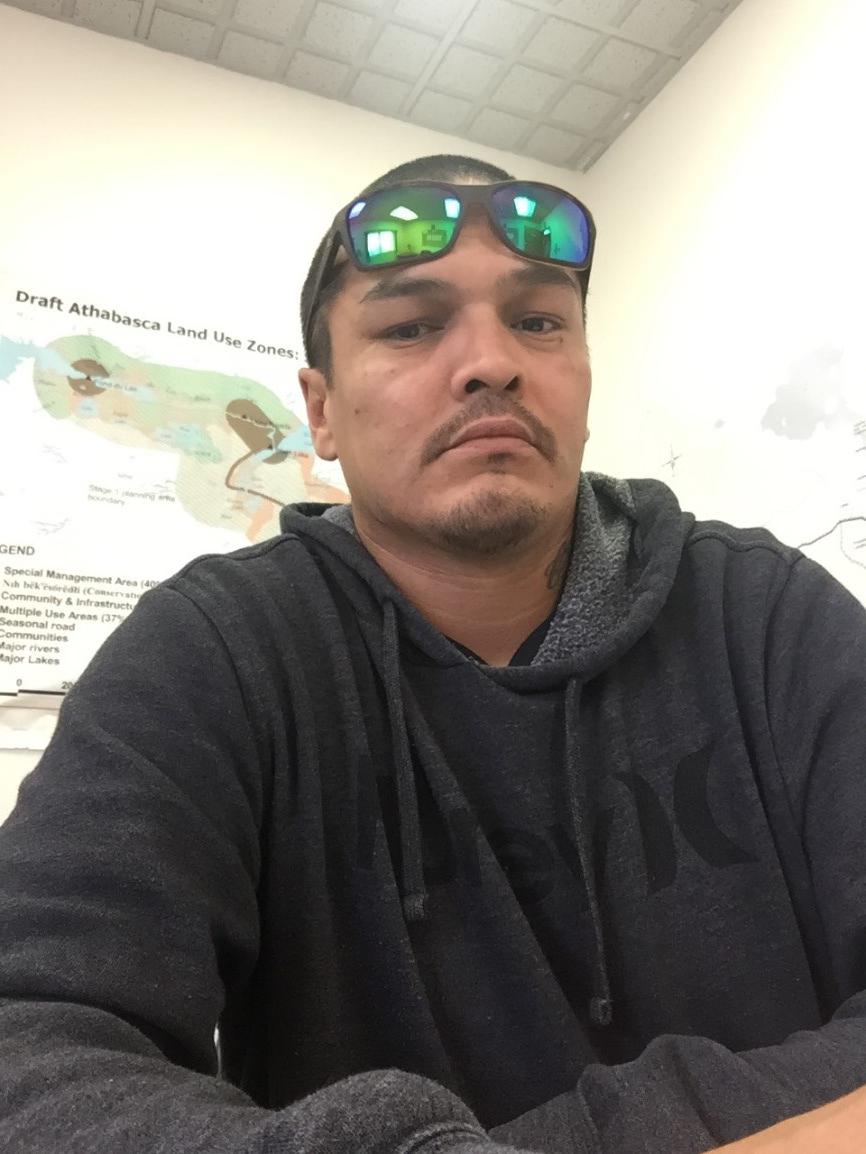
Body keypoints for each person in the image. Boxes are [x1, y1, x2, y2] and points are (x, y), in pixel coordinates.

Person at [1, 153, 865, 1154]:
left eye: (537, 321)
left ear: (583, 377)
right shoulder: (213, 657)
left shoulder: (767, 616)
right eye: (411, 326)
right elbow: (29, 1047)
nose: (491, 362)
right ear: (320, 411)